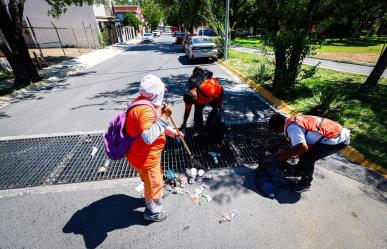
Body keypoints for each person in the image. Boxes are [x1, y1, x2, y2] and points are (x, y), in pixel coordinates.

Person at [125, 74, 181, 222]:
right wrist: (164, 116)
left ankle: (151, 191)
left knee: (151, 179)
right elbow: (149, 137)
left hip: (143, 156)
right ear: (157, 94)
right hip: (145, 158)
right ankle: (153, 211)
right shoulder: (146, 111)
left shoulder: (143, 101)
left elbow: (156, 125)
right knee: (154, 183)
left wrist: (173, 133)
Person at [268, 114, 350, 193]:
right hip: (336, 131)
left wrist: (285, 156)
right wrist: (276, 148)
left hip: (337, 140)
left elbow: (303, 148)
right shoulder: (291, 121)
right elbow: (289, 139)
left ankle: (305, 184)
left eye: (275, 130)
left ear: (279, 126)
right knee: (302, 150)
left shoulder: (292, 128)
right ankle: (299, 170)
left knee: (308, 158)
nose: (276, 132)